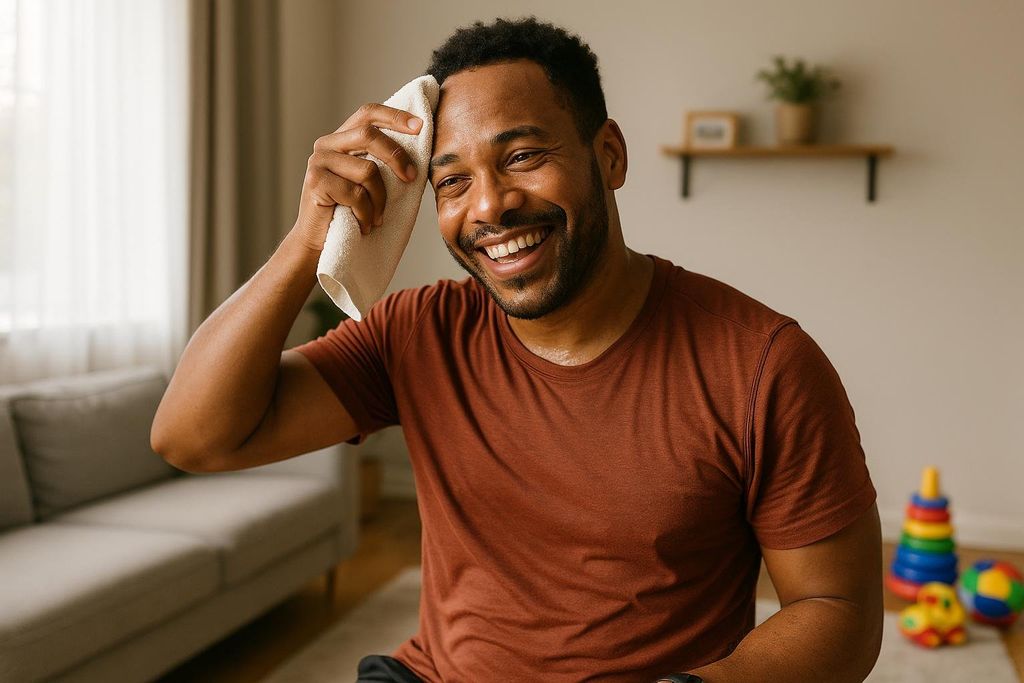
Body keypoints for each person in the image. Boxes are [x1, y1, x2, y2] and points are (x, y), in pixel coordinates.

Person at [152, 15, 883, 683]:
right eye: (452, 181)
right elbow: (192, 436)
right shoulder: (419, 333)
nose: (490, 204)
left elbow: (836, 606)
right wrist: (311, 235)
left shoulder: (763, 363)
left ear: (610, 155)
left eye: (523, 154)